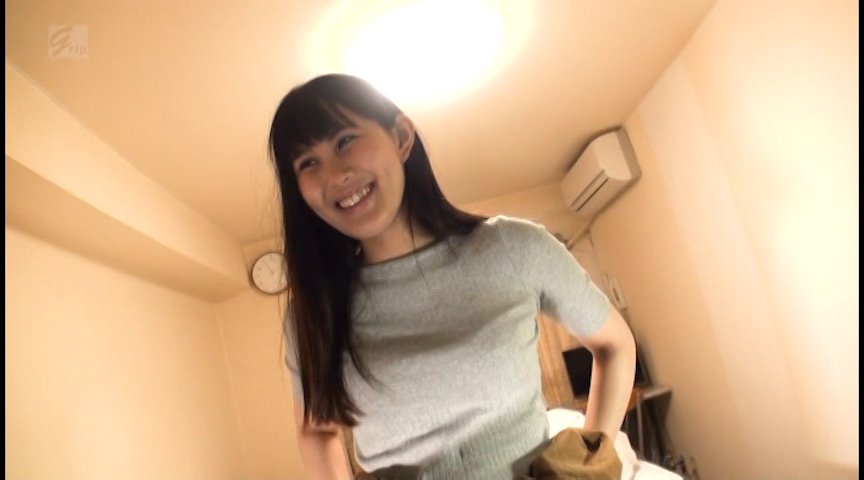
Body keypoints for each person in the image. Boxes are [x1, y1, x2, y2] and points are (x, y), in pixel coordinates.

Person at [268, 74, 637, 479]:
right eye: (308, 163)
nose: (334, 174)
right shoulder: (314, 313)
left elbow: (615, 344)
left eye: (345, 140)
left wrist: (587, 467)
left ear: (401, 137)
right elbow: (316, 428)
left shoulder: (514, 247)